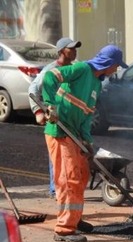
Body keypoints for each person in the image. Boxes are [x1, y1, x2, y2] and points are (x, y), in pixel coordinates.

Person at [40, 44, 128, 242]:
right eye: (117, 66)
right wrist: (50, 105)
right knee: (68, 178)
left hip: (76, 135)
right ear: (109, 63)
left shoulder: (96, 84)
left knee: (80, 176)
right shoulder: (81, 69)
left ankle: (75, 219)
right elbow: (50, 77)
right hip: (60, 131)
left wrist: (87, 141)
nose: (116, 69)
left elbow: (86, 116)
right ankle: (64, 229)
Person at [29, 37, 82, 199]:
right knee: (57, 156)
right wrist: (38, 111)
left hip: (70, 120)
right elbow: (33, 89)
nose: (74, 51)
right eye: (70, 49)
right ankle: (56, 190)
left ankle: (67, 187)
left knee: (71, 155)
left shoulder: (73, 70)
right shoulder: (50, 70)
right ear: (61, 52)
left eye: (75, 48)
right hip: (54, 118)